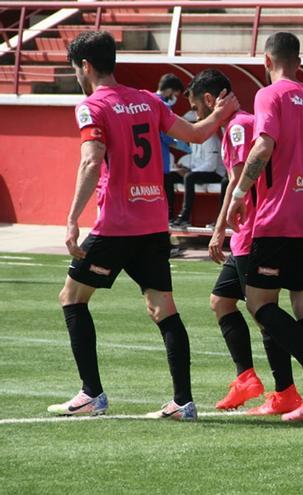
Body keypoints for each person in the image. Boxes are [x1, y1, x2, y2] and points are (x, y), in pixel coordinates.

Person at [50, 31, 238, 420]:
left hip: (117, 224)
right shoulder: (148, 100)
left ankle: (91, 394)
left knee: (71, 298)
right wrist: (220, 113)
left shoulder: (91, 106)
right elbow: (198, 134)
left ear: (84, 66)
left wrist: (71, 219)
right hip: (154, 222)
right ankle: (183, 402)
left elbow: (91, 160)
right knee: (163, 308)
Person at [226, 32, 303, 423]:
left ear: (266, 59)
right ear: (299, 60)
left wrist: (241, 192)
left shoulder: (269, 94)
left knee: (260, 304)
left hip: (283, 214)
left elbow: (263, 146)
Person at [184, 69, 299, 415]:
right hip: (248, 232)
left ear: (209, 100)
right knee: (221, 301)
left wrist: (219, 230)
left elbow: (236, 184)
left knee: (263, 310)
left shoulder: (237, 127)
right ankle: (248, 378)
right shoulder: (245, 122)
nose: (197, 117)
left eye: (196, 107)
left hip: (252, 232)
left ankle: (286, 391)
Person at [168, 86, 228, 228]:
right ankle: (168, 216)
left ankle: (185, 217)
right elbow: (196, 161)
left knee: (189, 177)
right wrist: (185, 168)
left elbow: (211, 165)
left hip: (215, 174)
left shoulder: (210, 138)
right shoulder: (192, 138)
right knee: (169, 176)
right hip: (200, 172)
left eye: (191, 124)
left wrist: (190, 172)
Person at [155, 73, 189, 175]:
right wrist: (182, 146)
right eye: (175, 95)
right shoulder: (164, 107)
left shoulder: (145, 101)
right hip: (160, 159)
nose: (175, 99)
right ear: (169, 91)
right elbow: (166, 137)